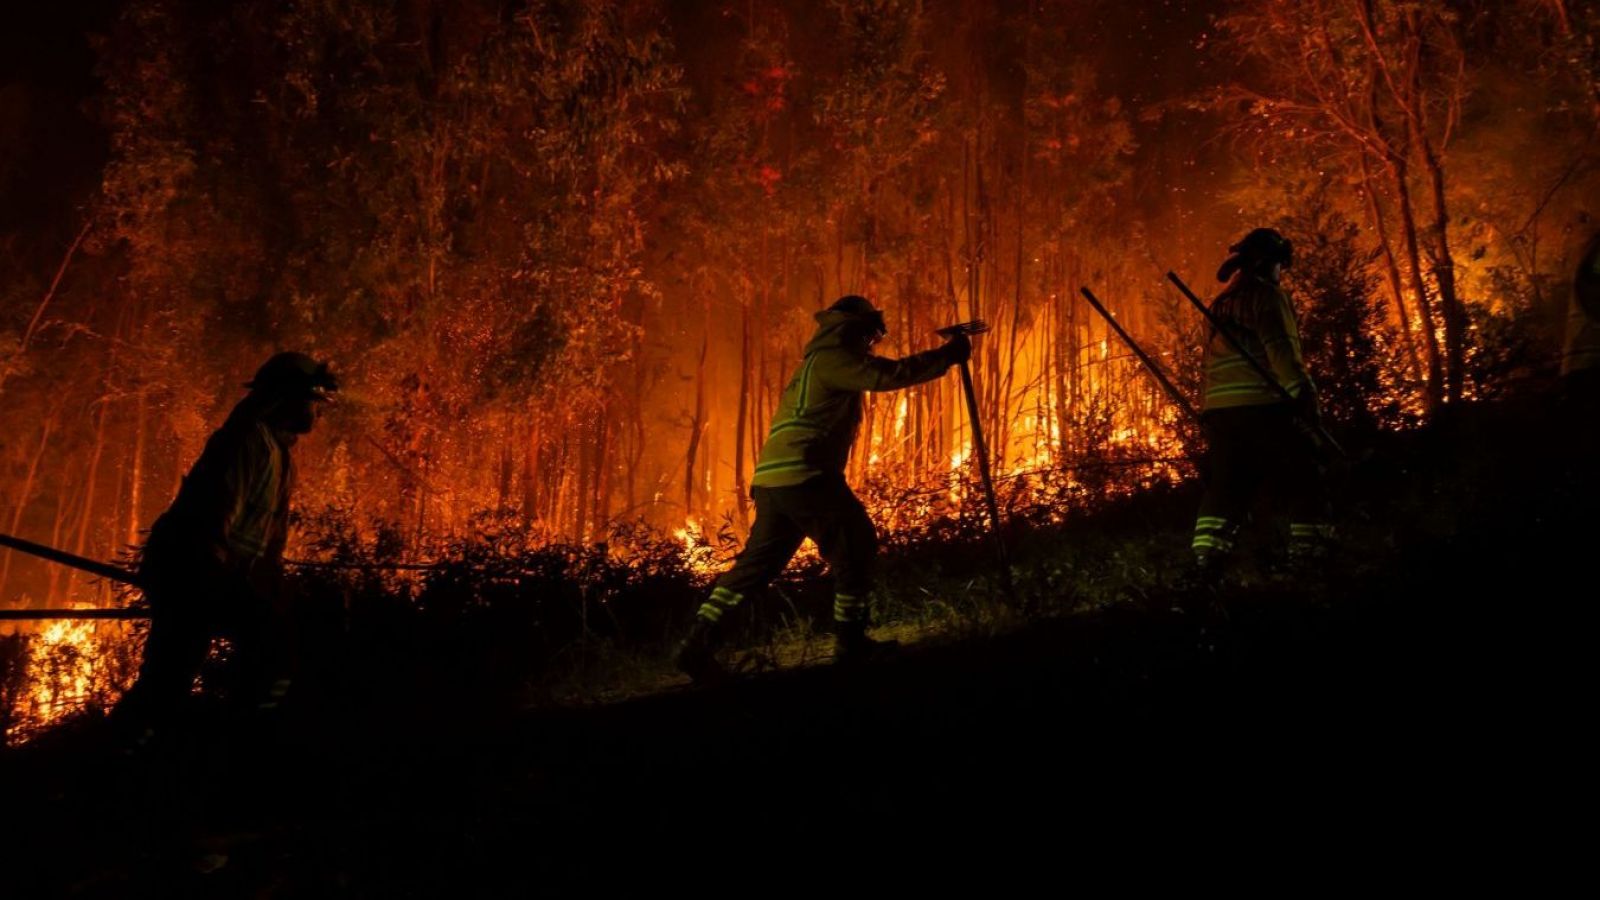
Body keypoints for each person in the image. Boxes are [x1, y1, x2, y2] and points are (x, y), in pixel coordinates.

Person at [676, 296, 968, 680]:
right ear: (854, 328)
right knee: (856, 545)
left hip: (774, 481)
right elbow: (887, 375)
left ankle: (697, 644)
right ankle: (851, 643)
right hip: (805, 474)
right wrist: (946, 355)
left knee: (755, 569)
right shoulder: (835, 358)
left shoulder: (814, 363)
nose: (870, 342)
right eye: (869, 333)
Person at [117, 352, 337, 732]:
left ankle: (227, 736)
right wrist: (222, 585)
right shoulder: (245, 441)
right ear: (283, 397)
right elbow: (213, 519)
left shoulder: (281, 457)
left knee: (179, 674)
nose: (318, 412)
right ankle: (121, 754)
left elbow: (270, 544)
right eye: (312, 401)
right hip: (189, 570)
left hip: (213, 574)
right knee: (176, 672)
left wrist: (271, 585)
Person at [1189, 229, 1331, 579]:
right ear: (1270, 262)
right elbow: (1281, 348)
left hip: (1221, 411)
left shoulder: (1218, 304)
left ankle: (1206, 561)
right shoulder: (1267, 296)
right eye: (1281, 266)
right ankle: (1310, 556)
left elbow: (1208, 363)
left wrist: (1207, 411)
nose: (1282, 273)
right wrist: (1304, 393)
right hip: (1261, 404)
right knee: (1307, 469)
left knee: (1227, 483)